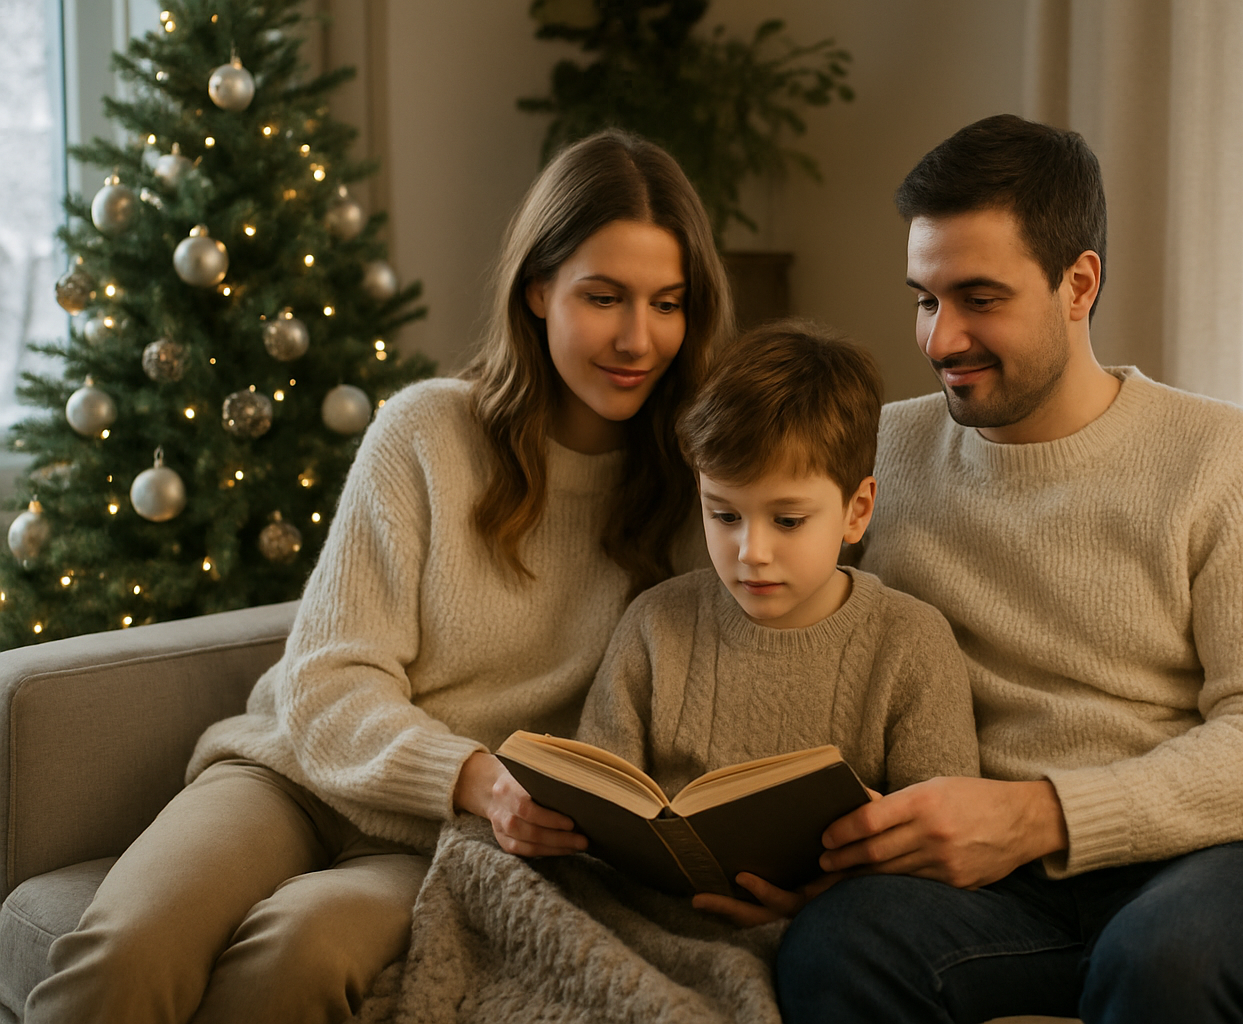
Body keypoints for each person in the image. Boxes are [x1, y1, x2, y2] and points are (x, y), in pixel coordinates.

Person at [25, 128, 732, 1024]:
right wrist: (472, 773)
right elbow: (325, 681)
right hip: (292, 777)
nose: (640, 337)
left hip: (443, 847)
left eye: (667, 303)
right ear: (538, 289)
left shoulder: (695, 497)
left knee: (296, 958)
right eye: (604, 297)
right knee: (126, 950)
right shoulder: (427, 433)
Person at [775, 115, 1243, 1024]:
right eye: (926, 299)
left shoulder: (1225, 456)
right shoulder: (881, 453)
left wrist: (1034, 815)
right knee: (832, 948)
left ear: (1077, 283)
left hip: (1235, 861)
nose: (940, 339)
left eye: (979, 297)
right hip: (1002, 889)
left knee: (1168, 961)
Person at [576, 319, 980, 926]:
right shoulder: (655, 624)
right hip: (645, 916)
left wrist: (826, 902)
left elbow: (938, 848)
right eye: (725, 515)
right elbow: (599, 801)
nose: (751, 552)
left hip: (830, 933)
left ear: (856, 510)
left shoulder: (911, 644)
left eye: (787, 521)